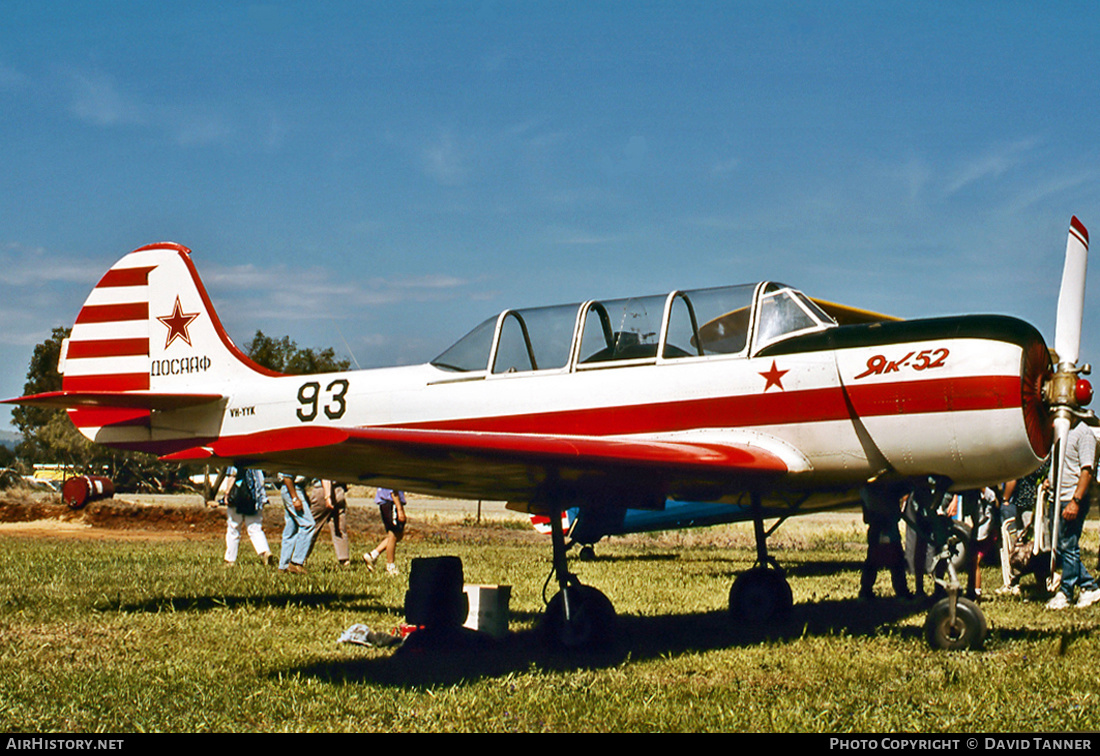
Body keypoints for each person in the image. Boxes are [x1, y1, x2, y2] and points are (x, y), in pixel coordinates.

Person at [1046, 420, 1100, 610]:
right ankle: (1089, 585)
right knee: (1060, 546)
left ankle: (1066, 592)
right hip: (1056, 498)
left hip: (1071, 498)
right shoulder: (1060, 430)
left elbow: (1087, 470)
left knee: (1068, 545)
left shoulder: (1084, 434)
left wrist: (1075, 501)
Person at [859, 483, 913, 600]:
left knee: (880, 560)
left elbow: (867, 517)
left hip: (882, 527)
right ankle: (900, 591)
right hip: (884, 527)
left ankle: (866, 591)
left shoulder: (866, 488)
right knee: (893, 561)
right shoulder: (881, 487)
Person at [220, 466, 271, 567]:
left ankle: (230, 559)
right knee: (255, 528)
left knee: (233, 528)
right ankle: (265, 551)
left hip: (239, 498)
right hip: (255, 498)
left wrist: (227, 494)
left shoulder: (237, 458)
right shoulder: (257, 461)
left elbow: (233, 475)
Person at [305, 480, 351, 566]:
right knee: (339, 526)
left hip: (322, 490)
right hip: (339, 489)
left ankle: (300, 557)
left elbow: (325, 476)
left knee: (311, 526)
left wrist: (327, 496)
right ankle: (344, 559)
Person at [363, 488, 406, 576]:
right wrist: (399, 508)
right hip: (391, 501)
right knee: (393, 534)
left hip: (391, 502)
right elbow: (393, 489)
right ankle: (390, 565)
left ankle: (373, 555)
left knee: (398, 535)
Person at [278, 472, 314, 574]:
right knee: (308, 524)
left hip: (294, 489)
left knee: (291, 527)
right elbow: (287, 476)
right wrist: (295, 497)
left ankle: (283, 565)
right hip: (292, 489)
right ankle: (296, 562)